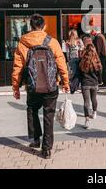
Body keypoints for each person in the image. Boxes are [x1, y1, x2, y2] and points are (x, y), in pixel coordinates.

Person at [12, 14, 70, 159]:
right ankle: (47, 149)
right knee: (48, 115)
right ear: (43, 26)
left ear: (30, 26)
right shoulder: (52, 42)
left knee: (32, 109)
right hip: (51, 86)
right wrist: (66, 82)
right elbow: (61, 64)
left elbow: (17, 67)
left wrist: (16, 88)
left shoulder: (23, 43)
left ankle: (35, 138)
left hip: (33, 86)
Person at [78, 44, 102, 129]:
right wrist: (100, 81)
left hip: (85, 83)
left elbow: (79, 72)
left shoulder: (82, 60)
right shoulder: (97, 60)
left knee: (86, 102)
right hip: (94, 83)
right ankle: (94, 112)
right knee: (94, 99)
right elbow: (99, 72)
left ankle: (87, 120)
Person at [63, 29, 84, 93]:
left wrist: (67, 60)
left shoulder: (68, 42)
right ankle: (75, 86)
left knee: (72, 73)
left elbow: (66, 52)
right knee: (77, 73)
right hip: (77, 58)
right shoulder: (78, 41)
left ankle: (72, 86)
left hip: (71, 59)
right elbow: (82, 48)